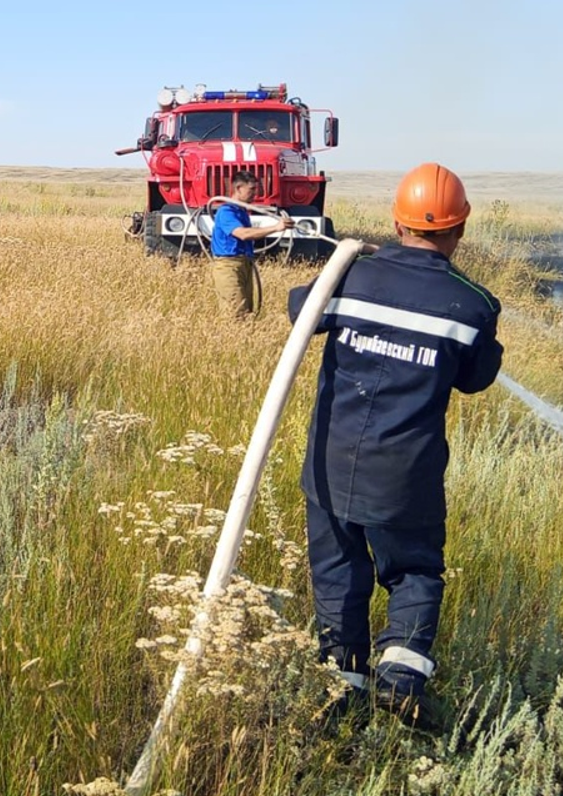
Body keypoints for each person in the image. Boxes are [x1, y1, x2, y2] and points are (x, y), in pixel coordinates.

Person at [288, 162, 503, 723]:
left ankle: (341, 691)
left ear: (397, 221)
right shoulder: (472, 304)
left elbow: (298, 313)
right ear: (461, 228)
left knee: (337, 573)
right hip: (406, 476)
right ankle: (400, 679)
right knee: (413, 573)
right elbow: (476, 378)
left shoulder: (353, 276)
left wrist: (346, 268)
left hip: (330, 466)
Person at [211, 171, 292, 316]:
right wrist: (275, 228)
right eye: (252, 190)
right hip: (229, 266)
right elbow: (243, 234)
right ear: (238, 188)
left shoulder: (242, 212)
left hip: (244, 264)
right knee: (236, 314)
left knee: (247, 312)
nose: (256, 193)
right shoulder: (226, 212)